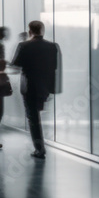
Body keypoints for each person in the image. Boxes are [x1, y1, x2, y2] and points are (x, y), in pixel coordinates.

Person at [12, 20, 58, 159]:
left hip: (30, 87)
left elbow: (16, 64)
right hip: (45, 87)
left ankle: (40, 149)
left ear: (30, 31)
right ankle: (40, 147)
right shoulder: (52, 46)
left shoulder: (23, 45)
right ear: (42, 31)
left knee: (33, 119)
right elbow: (54, 68)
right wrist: (52, 88)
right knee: (37, 116)